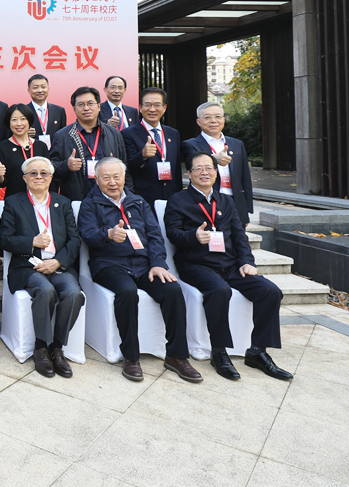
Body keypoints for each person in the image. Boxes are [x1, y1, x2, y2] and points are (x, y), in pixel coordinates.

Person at [164, 151, 292, 381]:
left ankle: (257, 351)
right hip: (196, 264)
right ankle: (219, 352)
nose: (204, 172)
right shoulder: (178, 200)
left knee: (270, 291)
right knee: (219, 290)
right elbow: (173, 234)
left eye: (209, 168)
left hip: (230, 264)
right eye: (198, 168)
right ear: (189, 174)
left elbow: (239, 235)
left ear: (216, 172)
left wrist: (246, 262)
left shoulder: (225, 200)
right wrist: (193, 236)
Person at [78, 157, 201, 383]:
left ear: (124, 177)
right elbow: (87, 234)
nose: (112, 182)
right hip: (109, 264)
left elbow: (155, 236)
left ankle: (177, 356)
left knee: (172, 290)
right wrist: (108, 234)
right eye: (106, 177)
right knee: (127, 291)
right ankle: (131, 357)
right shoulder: (90, 203)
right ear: (97, 179)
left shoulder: (138, 202)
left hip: (143, 265)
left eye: (117, 176)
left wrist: (158, 264)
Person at [0, 156, 83, 378]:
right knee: (45, 290)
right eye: (33, 173)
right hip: (28, 266)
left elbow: (74, 240)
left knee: (74, 293)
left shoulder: (62, 203)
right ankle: (41, 348)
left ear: (51, 177)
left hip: (58, 264)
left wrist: (58, 261)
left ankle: (57, 348)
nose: (39, 177)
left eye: (44, 173)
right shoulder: (14, 202)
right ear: (25, 178)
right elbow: (4, 239)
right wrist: (31, 242)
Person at [49, 87, 132, 201]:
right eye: (81, 104)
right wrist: (66, 166)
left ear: (99, 107)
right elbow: (50, 170)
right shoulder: (61, 136)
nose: (86, 108)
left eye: (90, 103)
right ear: (74, 109)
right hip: (77, 200)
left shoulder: (114, 134)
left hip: (110, 198)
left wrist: (128, 197)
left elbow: (125, 169)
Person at [181, 102, 254, 226]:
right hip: (207, 202)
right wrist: (214, 159)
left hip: (235, 203)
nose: (213, 121)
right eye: (207, 117)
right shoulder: (189, 145)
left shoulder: (237, 144)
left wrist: (246, 210)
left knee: (238, 237)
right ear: (198, 121)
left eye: (218, 116)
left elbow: (245, 178)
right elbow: (193, 164)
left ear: (223, 120)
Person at [121, 87, 182, 207]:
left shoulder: (173, 133)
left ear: (164, 108)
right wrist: (142, 156)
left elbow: (177, 169)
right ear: (140, 107)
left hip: (171, 197)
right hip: (144, 198)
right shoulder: (128, 134)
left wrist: (179, 195)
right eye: (147, 105)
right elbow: (127, 168)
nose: (152, 109)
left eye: (157, 105)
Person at [0, 104, 50, 199]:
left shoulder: (41, 146)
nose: (19, 124)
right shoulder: (1, 148)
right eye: (14, 120)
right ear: (8, 123)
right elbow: (2, 183)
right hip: (15, 200)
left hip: (40, 198)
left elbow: (48, 174)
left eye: (23, 119)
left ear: (29, 121)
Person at [26, 74, 67, 149]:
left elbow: (63, 136)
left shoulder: (59, 111)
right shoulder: (23, 111)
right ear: (29, 91)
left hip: (54, 153)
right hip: (31, 152)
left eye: (43, 87)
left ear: (48, 89)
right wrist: (24, 134)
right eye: (35, 87)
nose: (40, 90)